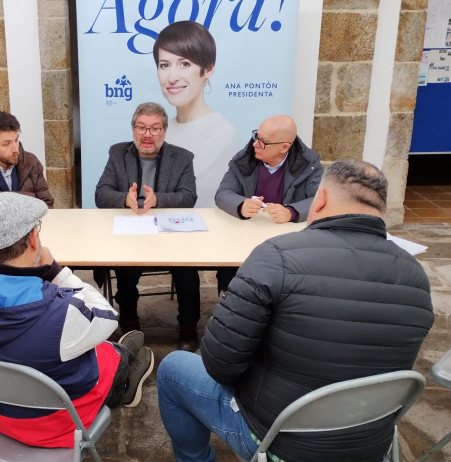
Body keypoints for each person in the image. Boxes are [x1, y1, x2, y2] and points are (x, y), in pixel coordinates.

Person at [157, 160, 435, 462]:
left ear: (322, 199)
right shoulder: (415, 274)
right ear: (380, 208)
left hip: (279, 444)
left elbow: (219, 365)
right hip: (370, 447)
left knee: (173, 369)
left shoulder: (276, 255)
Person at [0, 192, 154, 448]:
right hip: (52, 425)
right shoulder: (59, 313)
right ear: (33, 239)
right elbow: (107, 315)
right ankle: (124, 375)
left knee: (74, 340)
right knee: (102, 347)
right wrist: (55, 269)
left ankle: (124, 356)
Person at [95, 102, 201, 351]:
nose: (147, 135)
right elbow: (101, 194)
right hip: (132, 230)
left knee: (188, 272)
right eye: (141, 128)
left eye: (154, 128)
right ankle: (129, 321)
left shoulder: (182, 157)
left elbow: (189, 196)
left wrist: (159, 199)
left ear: (164, 130)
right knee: (125, 269)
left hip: (169, 233)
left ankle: (188, 327)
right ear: (133, 130)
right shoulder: (118, 153)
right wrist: (124, 198)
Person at [214, 114, 323, 293]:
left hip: (288, 243)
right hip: (244, 238)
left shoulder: (308, 163)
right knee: (231, 275)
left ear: (284, 147)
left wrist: (292, 212)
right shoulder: (244, 158)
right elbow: (223, 193)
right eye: (256, 136)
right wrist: (241, 205)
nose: (255, 144)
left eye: (263, 141)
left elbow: (318, 199)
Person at [154, 20, 238, 207]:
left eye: (184, 63)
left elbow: (188, 197)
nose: (172, 77)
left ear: (208, 69)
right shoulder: (162, 129)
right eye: (164, 65)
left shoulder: (220, 132)